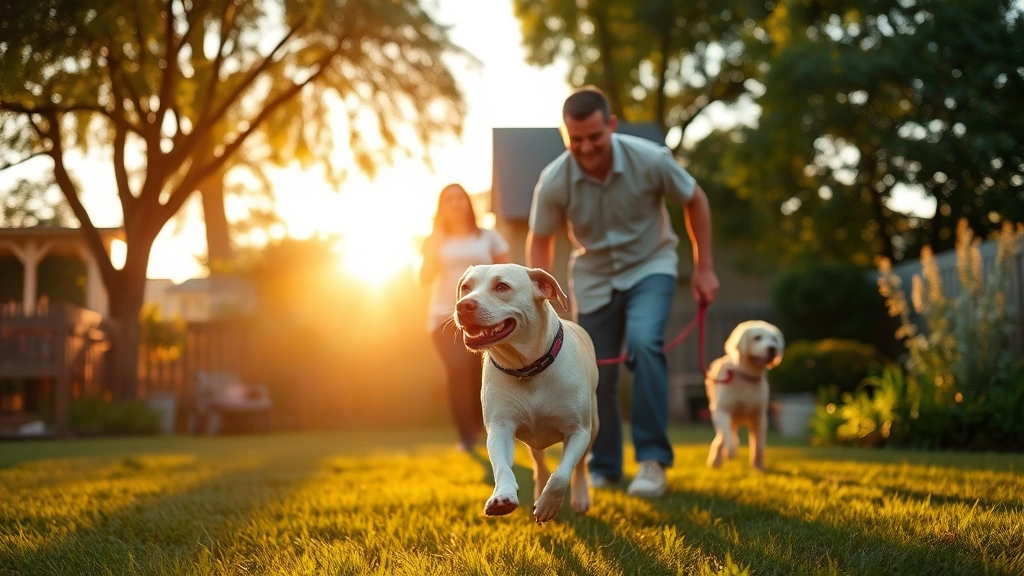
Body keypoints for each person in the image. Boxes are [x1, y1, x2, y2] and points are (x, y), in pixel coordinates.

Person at [526, 86, 719, 498]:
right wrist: (532, 294)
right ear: (565, 135)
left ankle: (652, 461)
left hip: (651, 266)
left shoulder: (650, 160)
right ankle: (605, 465)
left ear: (611, 125)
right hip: (594, 276)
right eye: (575, 139)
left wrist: (704, 269)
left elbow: (696, 200)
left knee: (646, 345)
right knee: (596, 373)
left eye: (595, 136)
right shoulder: (555, 179)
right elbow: (540, 239)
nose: (586, 146)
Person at [419, 183, 511, 452]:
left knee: (479, 374)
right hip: (443, 316)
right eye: (449, 199)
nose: (455, 203)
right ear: (441, 207)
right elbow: (423, 279)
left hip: (485, 316)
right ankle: (467, 437)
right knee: (458, 371)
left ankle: (483, 427)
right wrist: (434, 244)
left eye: (460, 198)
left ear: (468, 204)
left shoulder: (488, 237)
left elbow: (508, 271)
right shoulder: (436, 240)